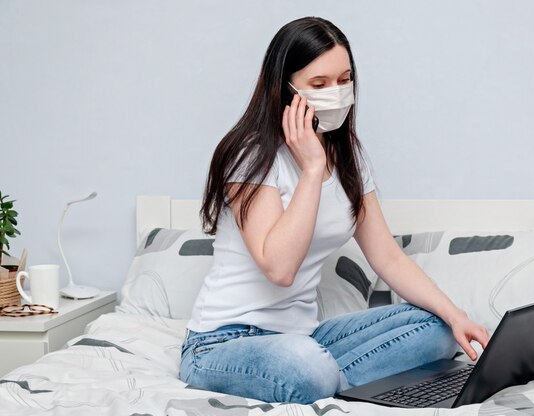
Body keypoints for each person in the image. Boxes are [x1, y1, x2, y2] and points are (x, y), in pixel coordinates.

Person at [179, 16, 490, 405]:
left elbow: (388, 257)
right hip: (222, 343)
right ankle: (327, 376)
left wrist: (457, 316)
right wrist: (311, 169)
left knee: (440, 328)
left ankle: (327, 377)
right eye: (320, 85)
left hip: (304, 339)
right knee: (307, 367)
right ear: (285, 89)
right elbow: (279, 268)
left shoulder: (349, 158)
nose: (338, 92)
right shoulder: (251, 155)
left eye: (345, 80)